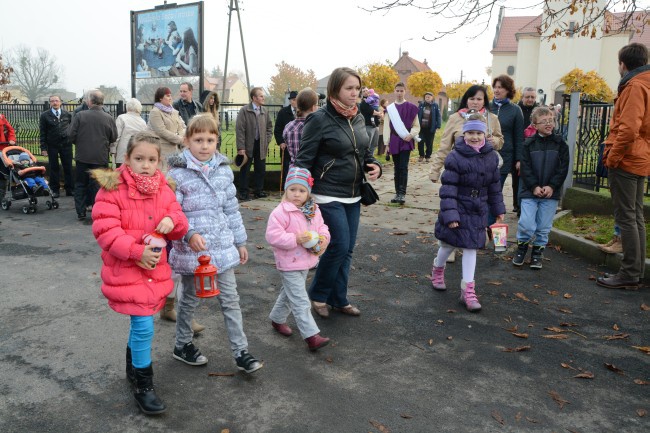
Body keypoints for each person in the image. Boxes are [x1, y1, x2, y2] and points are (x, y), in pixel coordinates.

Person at [90, 131, 189, 415]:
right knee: (144, 325)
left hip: (154, 268)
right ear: (127, 158)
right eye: (139, 159)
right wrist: (136, 252)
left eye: (151, 159)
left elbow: (179, 219)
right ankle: (144, 387)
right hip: (128, 267)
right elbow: (105, 231)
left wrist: (173, 220)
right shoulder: (111, 190)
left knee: (141, 325)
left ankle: (132, 370)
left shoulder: (164, 188)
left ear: (159, 161)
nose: (146, 165)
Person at [167, 114, 263, 374]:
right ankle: (182, 344)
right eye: (198, 139)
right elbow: (172, 211)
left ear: (217, 141)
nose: (205, 145)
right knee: (188, 300)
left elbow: (232, 209)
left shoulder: (223, 171)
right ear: (187, 141)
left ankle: (241, 351)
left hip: (222, 247)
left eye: (210, 139)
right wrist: (187, 234)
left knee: (231, 300)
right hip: (192, 251)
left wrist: (240, 241)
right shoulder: (177, 173)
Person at [295, 66, 382, 319]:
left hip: (353, 193)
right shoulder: (319, 119)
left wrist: (374, 165)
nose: (355, 94)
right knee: (338, 245)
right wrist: (299, 195)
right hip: (326, 193)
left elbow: (365, 151)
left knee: (348, 248)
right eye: (349, 88)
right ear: (335, 89)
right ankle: (319, 295)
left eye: (357, 88)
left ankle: (339, 297)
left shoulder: (358, 117)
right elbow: (303, 159)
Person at [430, 113, 506, 312]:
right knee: (448, 245)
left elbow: (494, 187)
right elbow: (448, 190)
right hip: (458, 206)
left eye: (478, 133)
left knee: (472, 247)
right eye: (470, 132)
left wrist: (498, 209)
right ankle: (438, 269)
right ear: (464, 134)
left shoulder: (491, 157)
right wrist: (451, 215)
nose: (474, 137)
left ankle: (468, 290)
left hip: (478, 208)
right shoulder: (455, 157)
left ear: (485, 134)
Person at [597, 43, 650, 290]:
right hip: (640, 157)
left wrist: (613, 157)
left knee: (627, 217)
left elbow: (628, 129)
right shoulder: (645, 83)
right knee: (635, 216)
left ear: (623, 64)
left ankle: (629, 272)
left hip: (628, 159)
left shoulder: (635, 86)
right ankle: (635, 271)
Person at [265, 166, 331, 351]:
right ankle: (312, 336)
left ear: (308, 192)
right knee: (300, 299)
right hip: (288, 263)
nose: (296, 194)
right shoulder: (280, 212)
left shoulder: (313, 210)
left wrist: (324, 238)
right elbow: (273, 236)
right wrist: (295, 239)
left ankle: (277, 320)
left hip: (307, 260)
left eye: (301, 190)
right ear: (286, 190)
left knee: (289, 293)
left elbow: (322, 227)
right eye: (292, 189)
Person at [512, 106, 569, 269]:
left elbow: (562, 168)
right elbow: (526, 168)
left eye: (551, 120)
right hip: (530, 192)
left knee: (544, 226)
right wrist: (534, 186)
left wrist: (552, 186)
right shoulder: (528, 144)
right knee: (527, 224)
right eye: (544, 121)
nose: (548, 124)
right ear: (535, 125)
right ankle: (522, 248)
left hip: (551, 193)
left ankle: (537, 253)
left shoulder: (560, 144)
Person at [68, 90, 117, 220]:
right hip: (100, 156)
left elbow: (70, 135)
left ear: (89, 101)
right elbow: (113, 137)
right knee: (97, 185)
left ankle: (81, 211)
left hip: (82, 156)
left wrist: (79, 143)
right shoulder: (109, 118)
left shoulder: (80, 115)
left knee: (80, 184)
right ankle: (97, 210)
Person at [489, 75, 524, 222]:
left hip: (505, 157)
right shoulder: (486, 107)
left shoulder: (515, 110)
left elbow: (519, 137)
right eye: (495, 87)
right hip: (485, 154)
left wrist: (518, 159)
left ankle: (493, 225)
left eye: (500, 87)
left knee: (496, 191)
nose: (497, 90)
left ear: (508, 90)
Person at [384, 82, 420, 205]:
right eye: (397, 90)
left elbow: (416, 126)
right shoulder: (389, 109)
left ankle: (402, 194)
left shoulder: (411, 107)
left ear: (405, 91)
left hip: (406, 140)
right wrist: (386, 143)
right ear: (394, 91)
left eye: (401, 91)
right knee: (396, 168)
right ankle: (396, 193)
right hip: (394, 140)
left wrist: (411, 135)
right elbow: (386, 127)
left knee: (403, 167)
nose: (399, 93)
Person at [236, 87, 273, 201]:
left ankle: (259, 191)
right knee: (245, 169)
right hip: (247, 146)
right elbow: (240, 130)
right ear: (254, 98)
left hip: (261, 145)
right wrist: (241, 148)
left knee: (260, 169)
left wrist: (266, 140)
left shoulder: (264, 111)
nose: (263, 98)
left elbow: (269, 127)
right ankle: (243, 192)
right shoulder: (244, 110)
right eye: (261, 96)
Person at [39, 95, 74, 198]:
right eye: (52, 101)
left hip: (66, 145)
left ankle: (70, 189)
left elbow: (72, 129)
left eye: (56, 101)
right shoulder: (45, 115)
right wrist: (43, 148)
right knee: (53, 168)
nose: (55, 103)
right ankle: (55, 190)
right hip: (52, 145)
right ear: (50, 103)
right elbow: (42, 132)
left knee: (68, 167)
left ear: (61, 102)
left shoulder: (67, 114)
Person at [147, 87, 185, 166]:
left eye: (170, 96)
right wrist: (179, 139)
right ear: (160, 97)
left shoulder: (174, 112)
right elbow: (161, 131)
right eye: (167, 96)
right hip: (162, 149)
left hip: (176, 149)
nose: (170, 98)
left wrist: (182, 138)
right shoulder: (155, 112)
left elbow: (181, 127)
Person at [283, 88, 319, 166]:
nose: (318, 108)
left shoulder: (288, 127)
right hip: (311, 174)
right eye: (317, 105)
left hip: (294, 172)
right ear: (313, 107)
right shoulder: (316, 127)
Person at [111, 98, 147, 168]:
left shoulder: (121, 118)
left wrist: (113, 150)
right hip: (137, 153)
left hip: (122, 154)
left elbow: (116, 136)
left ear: (127, 107)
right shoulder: (143, 122)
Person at [274, 90, 297, 190]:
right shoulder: (283, 112)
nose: (295, 101)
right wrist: (281, 142)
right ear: (291, 101)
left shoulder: (303, 111)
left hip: (299, 146)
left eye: (297, 100)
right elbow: (277, 129)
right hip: (287, 146)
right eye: (293, 100)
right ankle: (286, 189)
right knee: (286, 168)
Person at [417, 92, 442, 162]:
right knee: (420, 141)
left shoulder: (435, 105)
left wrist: (438, 125)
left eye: (429, 97)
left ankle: (428, 156)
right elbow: (417, 114)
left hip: (431, 127)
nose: (427, 98)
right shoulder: (421, 105)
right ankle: (421, 155)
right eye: (426, 97)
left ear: (432, 98)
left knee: (429, 143)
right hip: (421, 128)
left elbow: (438, 116)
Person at [360, 87, 381, 158]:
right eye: (364, 91)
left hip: (375, 126)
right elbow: (372, 112)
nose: (366, 92)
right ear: (362, 93)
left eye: (367, 90)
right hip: (368, 126)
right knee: (368, 145)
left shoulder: (373, 100)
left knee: (374, 144)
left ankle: (371, 158)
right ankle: (365, 160)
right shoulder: (364, 103)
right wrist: (379, 113)